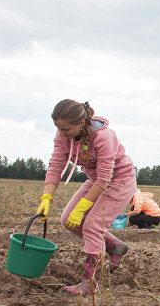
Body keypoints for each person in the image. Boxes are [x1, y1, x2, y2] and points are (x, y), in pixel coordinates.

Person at [37, 100, 135, 295]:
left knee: (92, 226)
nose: (61, 133)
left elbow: (105, 177)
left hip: (119, 181)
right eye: (58, 128)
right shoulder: (63, 137)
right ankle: (115, 246)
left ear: (81, 124)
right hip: (96, 179)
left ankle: (89, 284)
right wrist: (46, 197)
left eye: (65, 129)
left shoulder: (104, 137)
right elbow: (56, 164)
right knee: (68, 220)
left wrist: (83, 207)